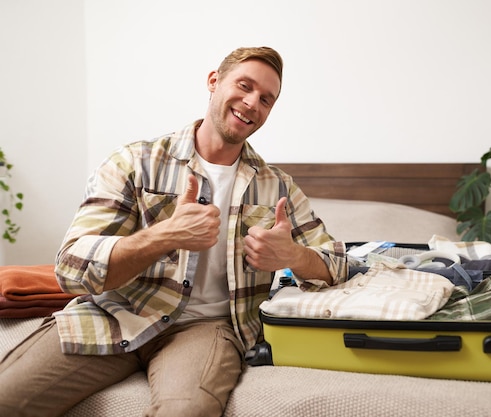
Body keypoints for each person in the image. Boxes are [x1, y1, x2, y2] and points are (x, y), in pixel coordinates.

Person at [0, 46, 348, 416]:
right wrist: (165, 235)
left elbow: (338, 265)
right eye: (244, 86)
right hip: (115, 312)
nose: (252, 103)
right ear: (213, 81)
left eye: (266, 99)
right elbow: (71, 268)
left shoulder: (277, 187)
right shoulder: (135, 162)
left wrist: (294, 256)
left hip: (206, 329)